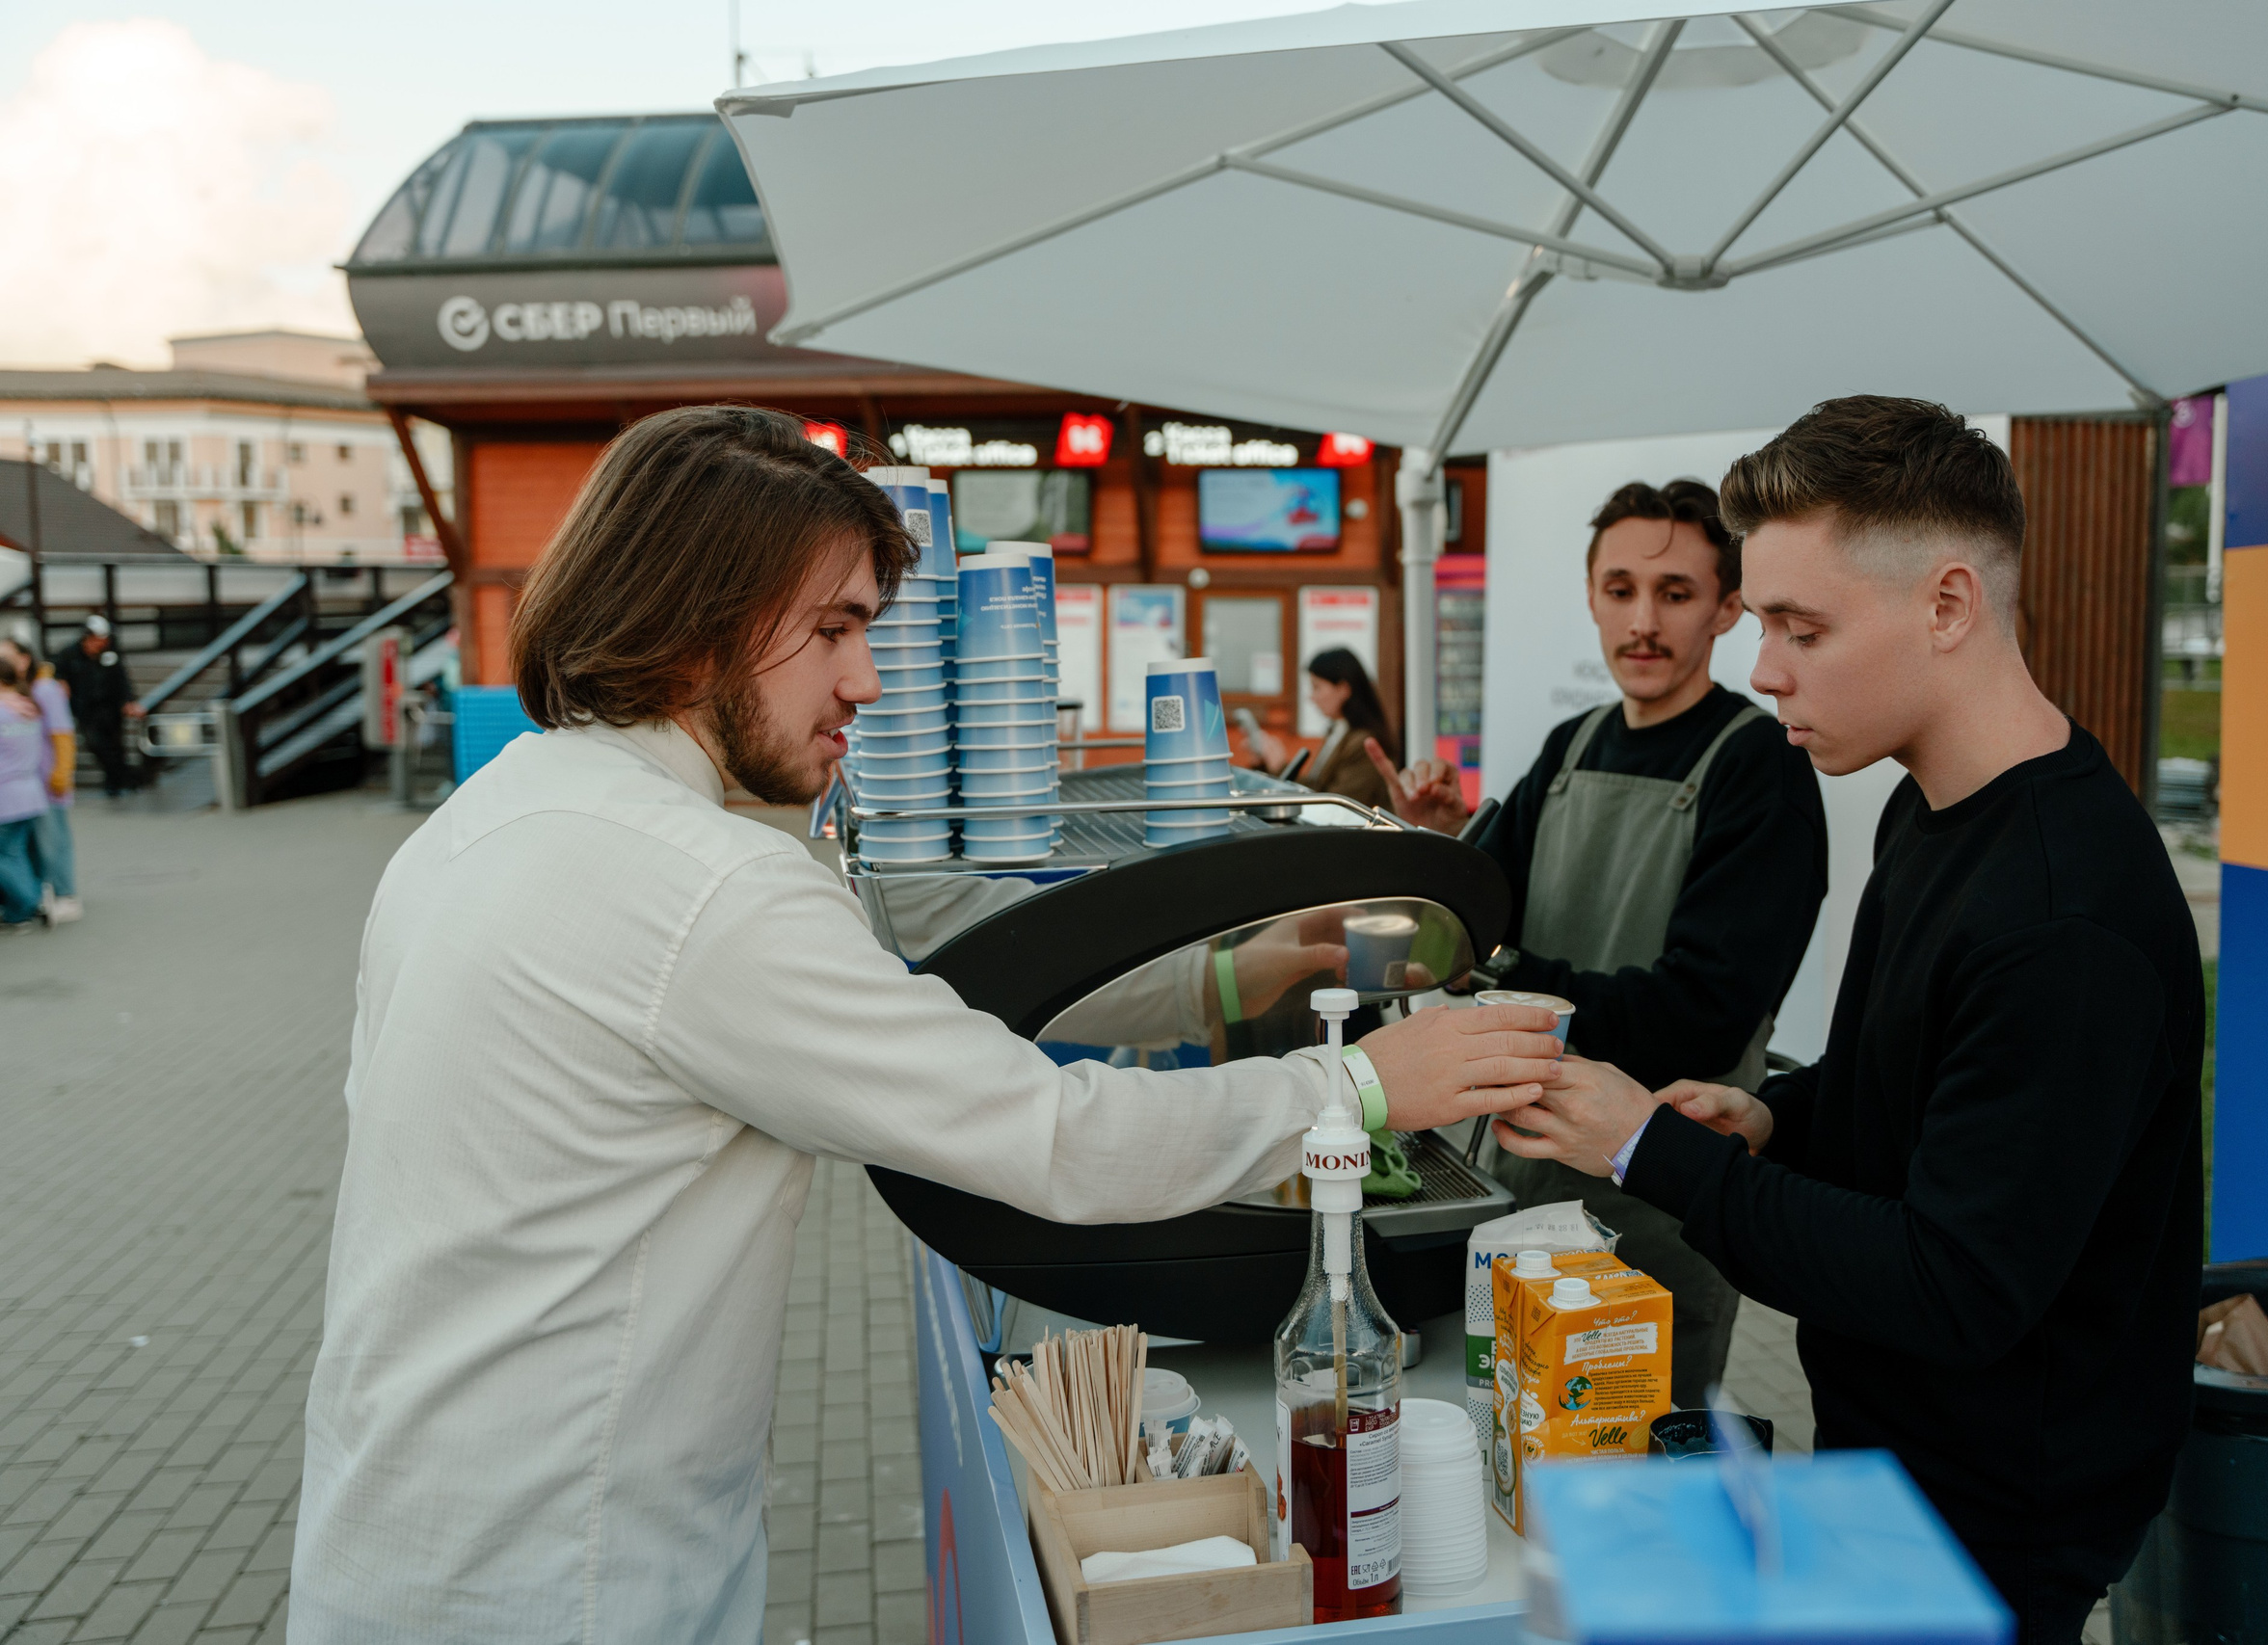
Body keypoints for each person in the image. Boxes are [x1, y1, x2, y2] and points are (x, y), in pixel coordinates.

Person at [289, 406, 1565, 1643]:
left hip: (400, 1538)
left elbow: (905, 941)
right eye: (834, 627)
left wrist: (1225, 976)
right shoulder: (703, 889)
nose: (871, 676)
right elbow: (1059, 1139)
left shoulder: (508, 812)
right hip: (561, 1579)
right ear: (696, 627)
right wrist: (1354, 1085)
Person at [1496, 399, 2203, 1645]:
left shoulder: (2063, 919)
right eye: (1764, 621)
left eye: (1800, 626)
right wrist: (1778, 1112)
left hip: (1996, 1518)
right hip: (1891, 1448)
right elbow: (1914, 1076)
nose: (1763, 667)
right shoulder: (1927, 806)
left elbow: (1955, 1282)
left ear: (1946, 604)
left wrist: (1649, 1151)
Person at [1367, 478, 1828, 1400]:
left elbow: (1697, 1014)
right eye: (1621, 590)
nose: (1644, 621)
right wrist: (1436, 858)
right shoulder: (1570, 747)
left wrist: (1494, 966)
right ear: (1591, 596)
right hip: (1516, 1181)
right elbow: (1457, 927)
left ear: (1728, 607)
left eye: (1677, 593)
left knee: (1636, 1477)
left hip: (1656, 1202)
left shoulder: (1759, 769)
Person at [1245, 647, 1393, 808]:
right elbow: (1318, 787)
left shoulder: (1364, 742)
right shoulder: (1338, 730)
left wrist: (1281, 767)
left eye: (1317, 687)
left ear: (1343, 689)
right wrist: (1268, 765)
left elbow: (1338, 802)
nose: (1311, 697)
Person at [0, 635, 76, 921]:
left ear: (24, 658)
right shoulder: (23, 694)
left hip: (44, 780)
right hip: (28, 782)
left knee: (52, 840)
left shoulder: (44, 689)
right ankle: (34, 896)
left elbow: (62, 733)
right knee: (26, 847)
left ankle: (62, 895)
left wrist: (62, 772)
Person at [50, 615, 141, 797]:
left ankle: (117, 782)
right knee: (96, 744)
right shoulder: (70, 654)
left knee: (116, 744)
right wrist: (60, 681)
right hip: (86, 709)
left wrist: (129, 700)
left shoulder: (111, 655)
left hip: (111, 708)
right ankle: (120, 777)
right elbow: (56, 670)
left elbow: (122, 679)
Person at [0, 652, 49, 933]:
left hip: (6, 795)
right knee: (16, 852)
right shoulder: (27, 709)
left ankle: (28, 903)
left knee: (6, 855)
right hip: (29, 791)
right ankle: (21, 907)